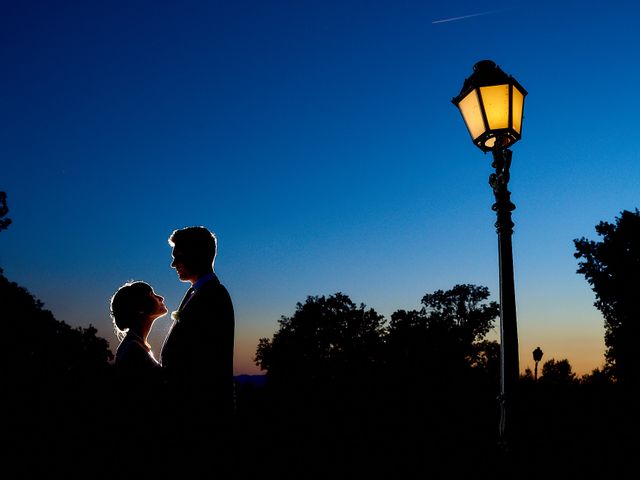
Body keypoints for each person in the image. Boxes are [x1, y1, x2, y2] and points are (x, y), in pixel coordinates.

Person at [161, 226, 236, 429]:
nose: (173, 263)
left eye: (179, 256)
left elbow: (204, 362)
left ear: (197, 255)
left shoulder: (214, 296)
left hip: (201, 417)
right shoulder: (196, 293)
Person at [110, 280, 167, 372]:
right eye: (152, 295)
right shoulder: (133, 349)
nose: (161, 298)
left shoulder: (135, 344)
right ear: (140, 308)